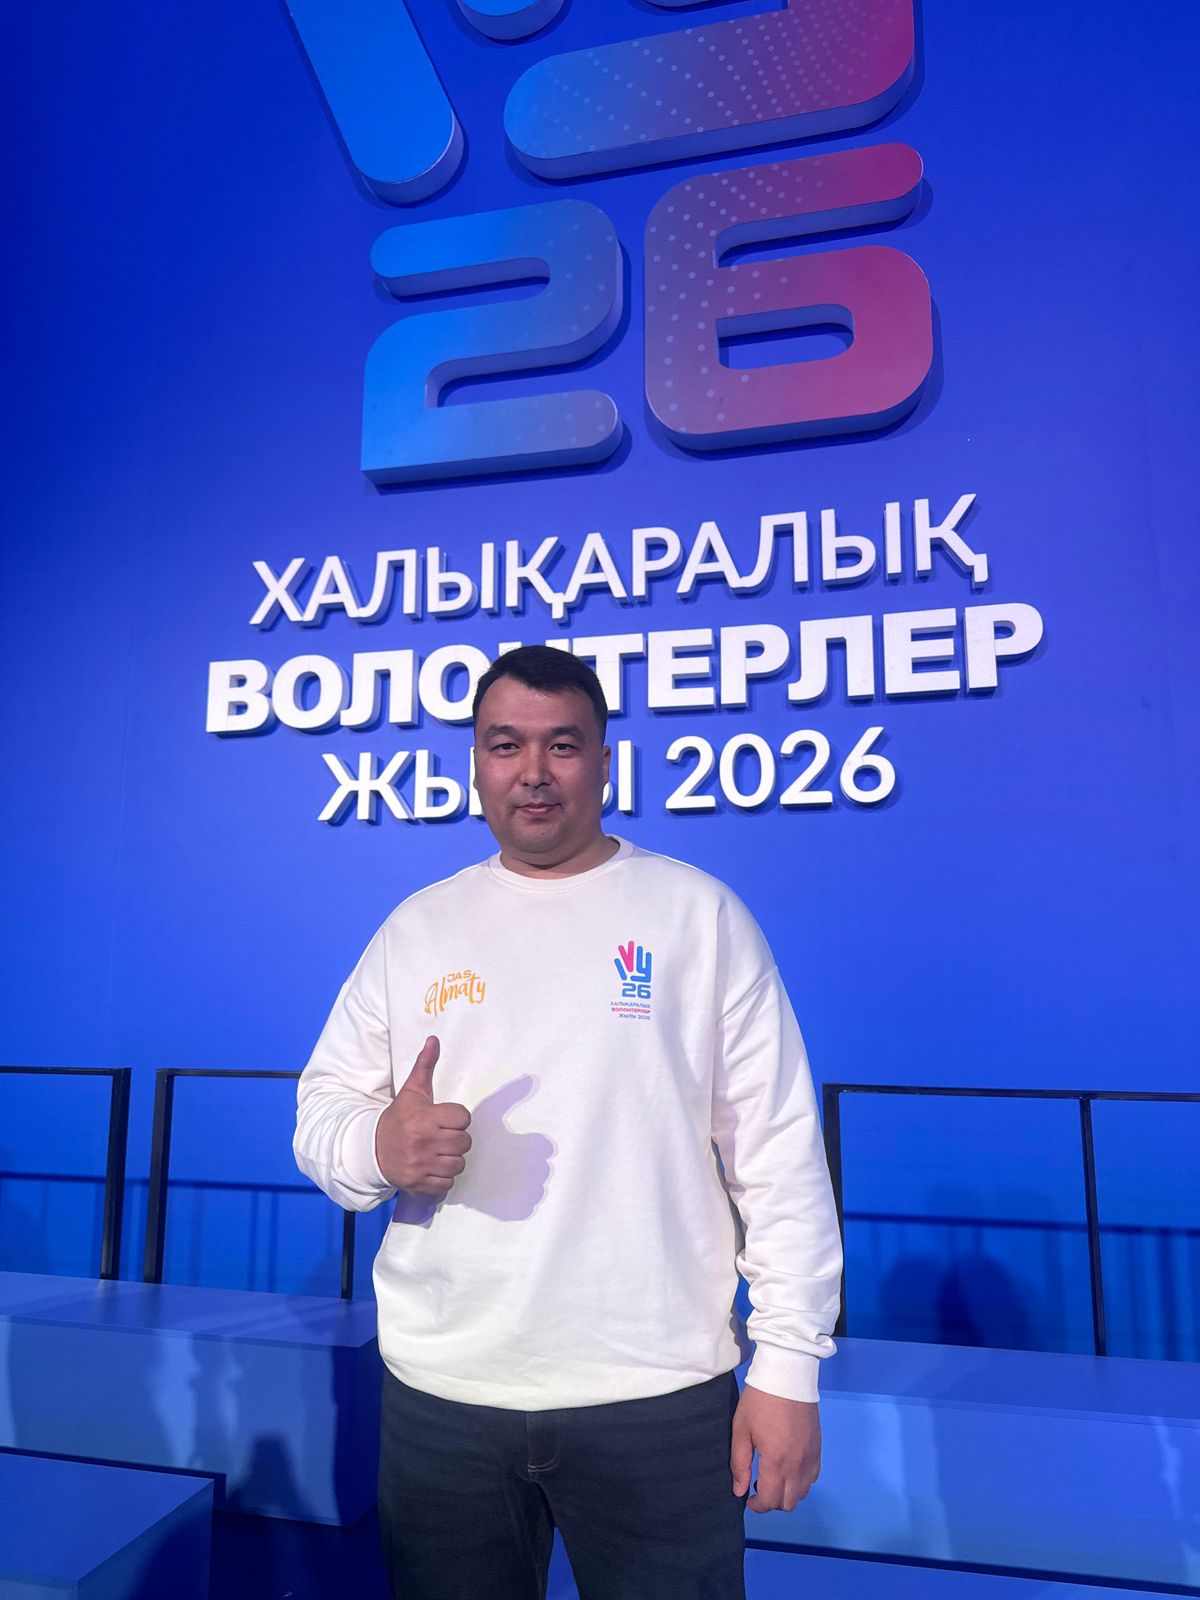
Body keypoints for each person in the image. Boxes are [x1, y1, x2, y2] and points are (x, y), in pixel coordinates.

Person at [294, 645, 843, 1600]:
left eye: (563, 745)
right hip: (446, 1393)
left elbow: (778, 1154)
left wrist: (788, 1366)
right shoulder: (418, 929)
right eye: (506, 745)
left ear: (605, 761)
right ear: (476, 762)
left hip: (657, 1394)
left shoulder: (698, 916)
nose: (534, 772)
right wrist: (377, 1146)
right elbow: (322, 1112)